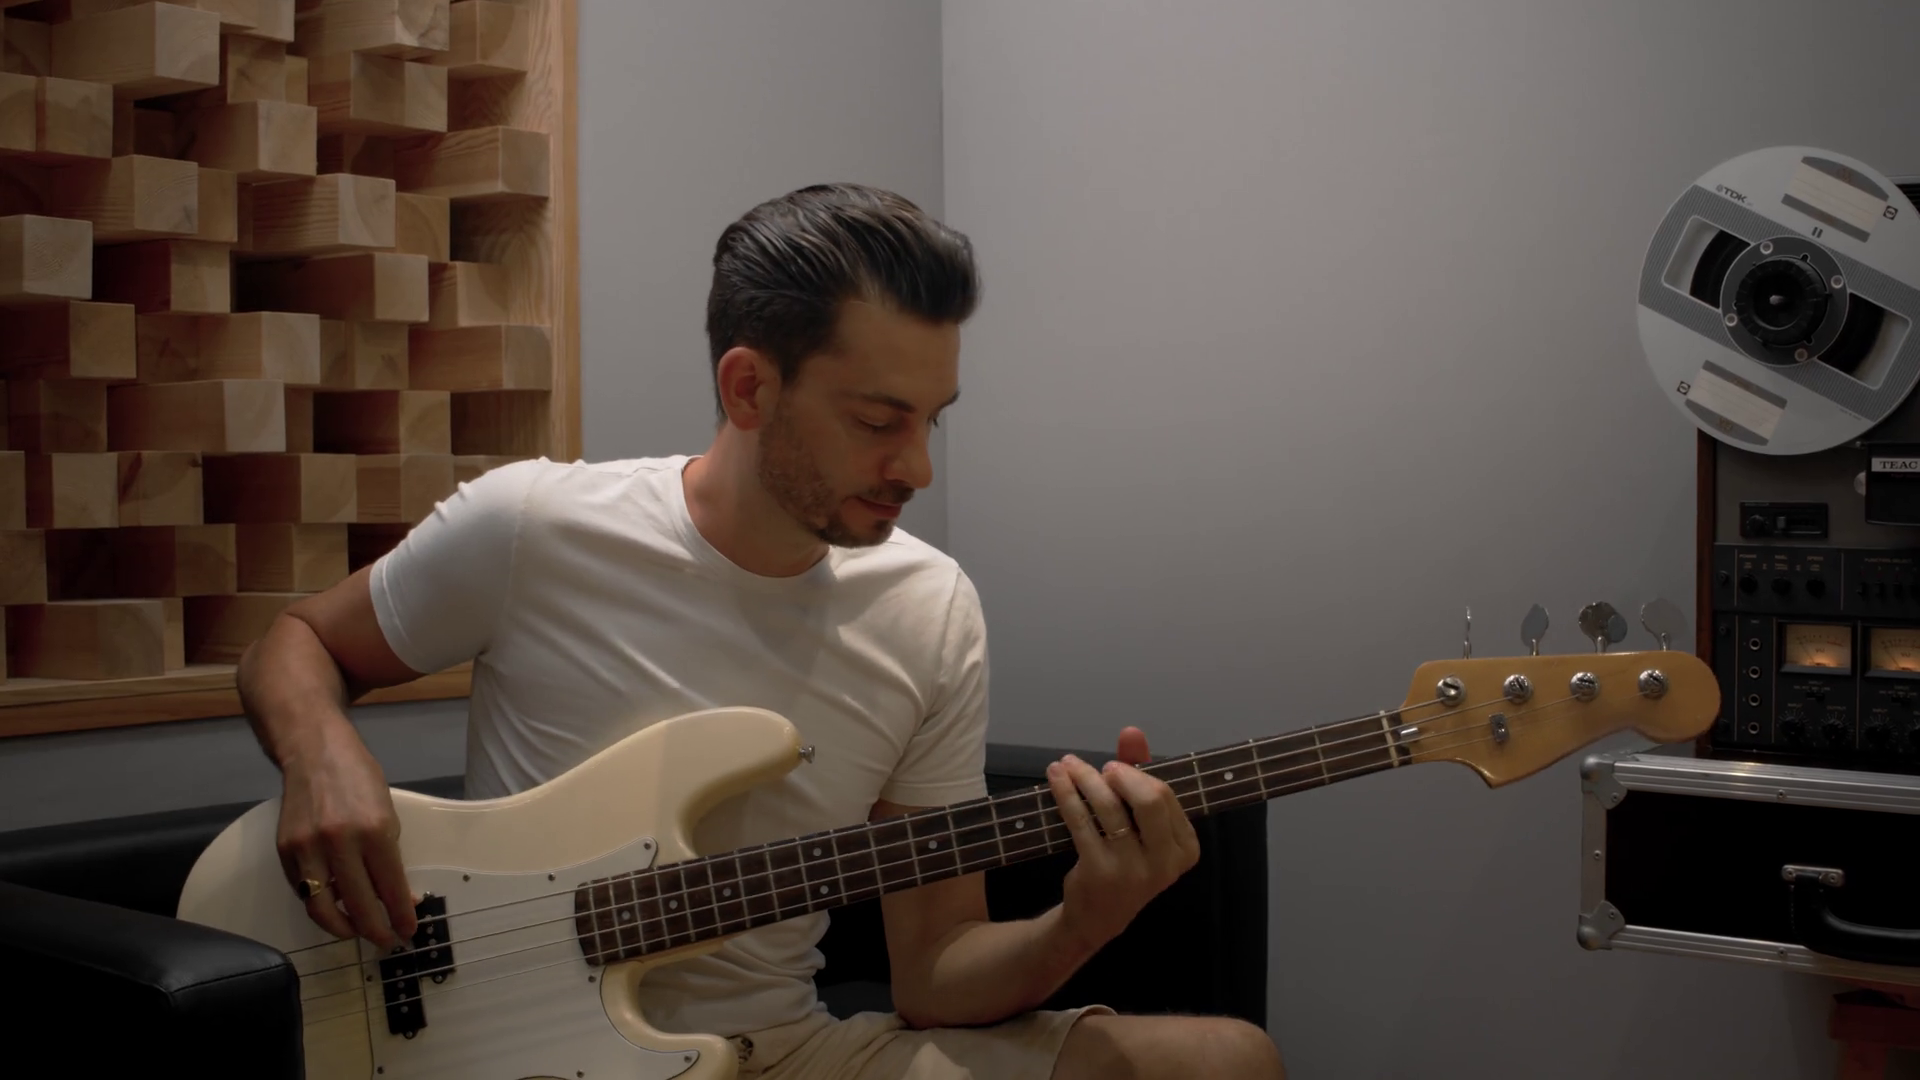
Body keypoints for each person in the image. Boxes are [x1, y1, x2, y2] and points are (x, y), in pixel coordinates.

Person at [237, 182, 1285, 1080]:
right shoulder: (533, 527)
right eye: (879, 421)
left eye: (934, 419)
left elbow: (935, 971)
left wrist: (1085, 918)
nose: (918, 467)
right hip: (516, 1044)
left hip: (779, 1051)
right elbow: (295, 642)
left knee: (1229, 1063)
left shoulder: (931, 610)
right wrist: (323, 756)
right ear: (749, 387)